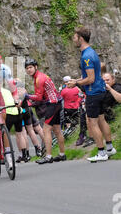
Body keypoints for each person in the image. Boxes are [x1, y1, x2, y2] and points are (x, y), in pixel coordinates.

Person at [68, 27, 116, 162]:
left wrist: (76, 83)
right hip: (100, 90)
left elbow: (90, 79)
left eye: (75, 37)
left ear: (80, 39)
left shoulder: (87, 56)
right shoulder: (91, 52)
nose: (73, 39)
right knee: (101, 120)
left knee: (92, 122)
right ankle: (110, 148)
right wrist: (78, 80)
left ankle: (101, 152)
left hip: (93, 92)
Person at [22, 58, 65, 164]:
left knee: (46, 130)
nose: (29, 70)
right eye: (27, 68)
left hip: (53, 103)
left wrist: (26, 97)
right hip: (56, 102)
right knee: (57, 129)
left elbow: (39, 97)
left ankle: (48, 156)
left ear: (36, 67)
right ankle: (62, 154)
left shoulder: (39, 78)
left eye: (31, 67)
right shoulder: (39, 76)